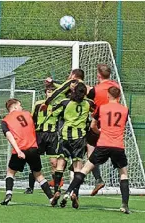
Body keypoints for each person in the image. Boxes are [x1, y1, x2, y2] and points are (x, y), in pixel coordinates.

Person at [60, 86, 130, 214]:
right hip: (118, 146)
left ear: (108, 96)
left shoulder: (102, 108)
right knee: (123, 174)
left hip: (103, 144)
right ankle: (124, 205)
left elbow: (93, 126)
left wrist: (100, 132)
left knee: (85, 169)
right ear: (119, 97)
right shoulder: (125, 110)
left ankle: (68, 192)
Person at [50, 82, 95, 208]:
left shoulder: (65, 102)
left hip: (65, 136)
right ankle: (75, 193)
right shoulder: (88, 103)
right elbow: (95, 110)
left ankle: (57, 191)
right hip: (80, 138)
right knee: (77, 167)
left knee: (60, 164)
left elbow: (53, 112)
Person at [0, 99, 53, 205]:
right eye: (20, 105)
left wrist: (18, 150)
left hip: (20, 149)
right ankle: (51, 198)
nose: (21, 107)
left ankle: (9, 193)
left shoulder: (5, 120)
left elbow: (9, 136)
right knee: (38, 175)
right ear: (14, 107)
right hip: (33, 149)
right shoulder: (27, 114)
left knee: (10, 172)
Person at [86, 64, 120, 196]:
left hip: (99, 121)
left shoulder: (96, 89)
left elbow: (87, 99)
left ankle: (97, 179)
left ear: (98, 75)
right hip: (114, 124)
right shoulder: (116, 87)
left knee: (90, 150)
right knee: (117, 154)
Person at [24, 85, 62, 194]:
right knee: (34, 160)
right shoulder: (38, 104)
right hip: (39, 135)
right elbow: (32, 119)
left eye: (52, 91)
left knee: (54, 163)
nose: (50, 93)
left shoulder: (59, 105)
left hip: (52, 135)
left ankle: (56, 189)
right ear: (45, 92)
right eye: (48, 91)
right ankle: (30, 187)